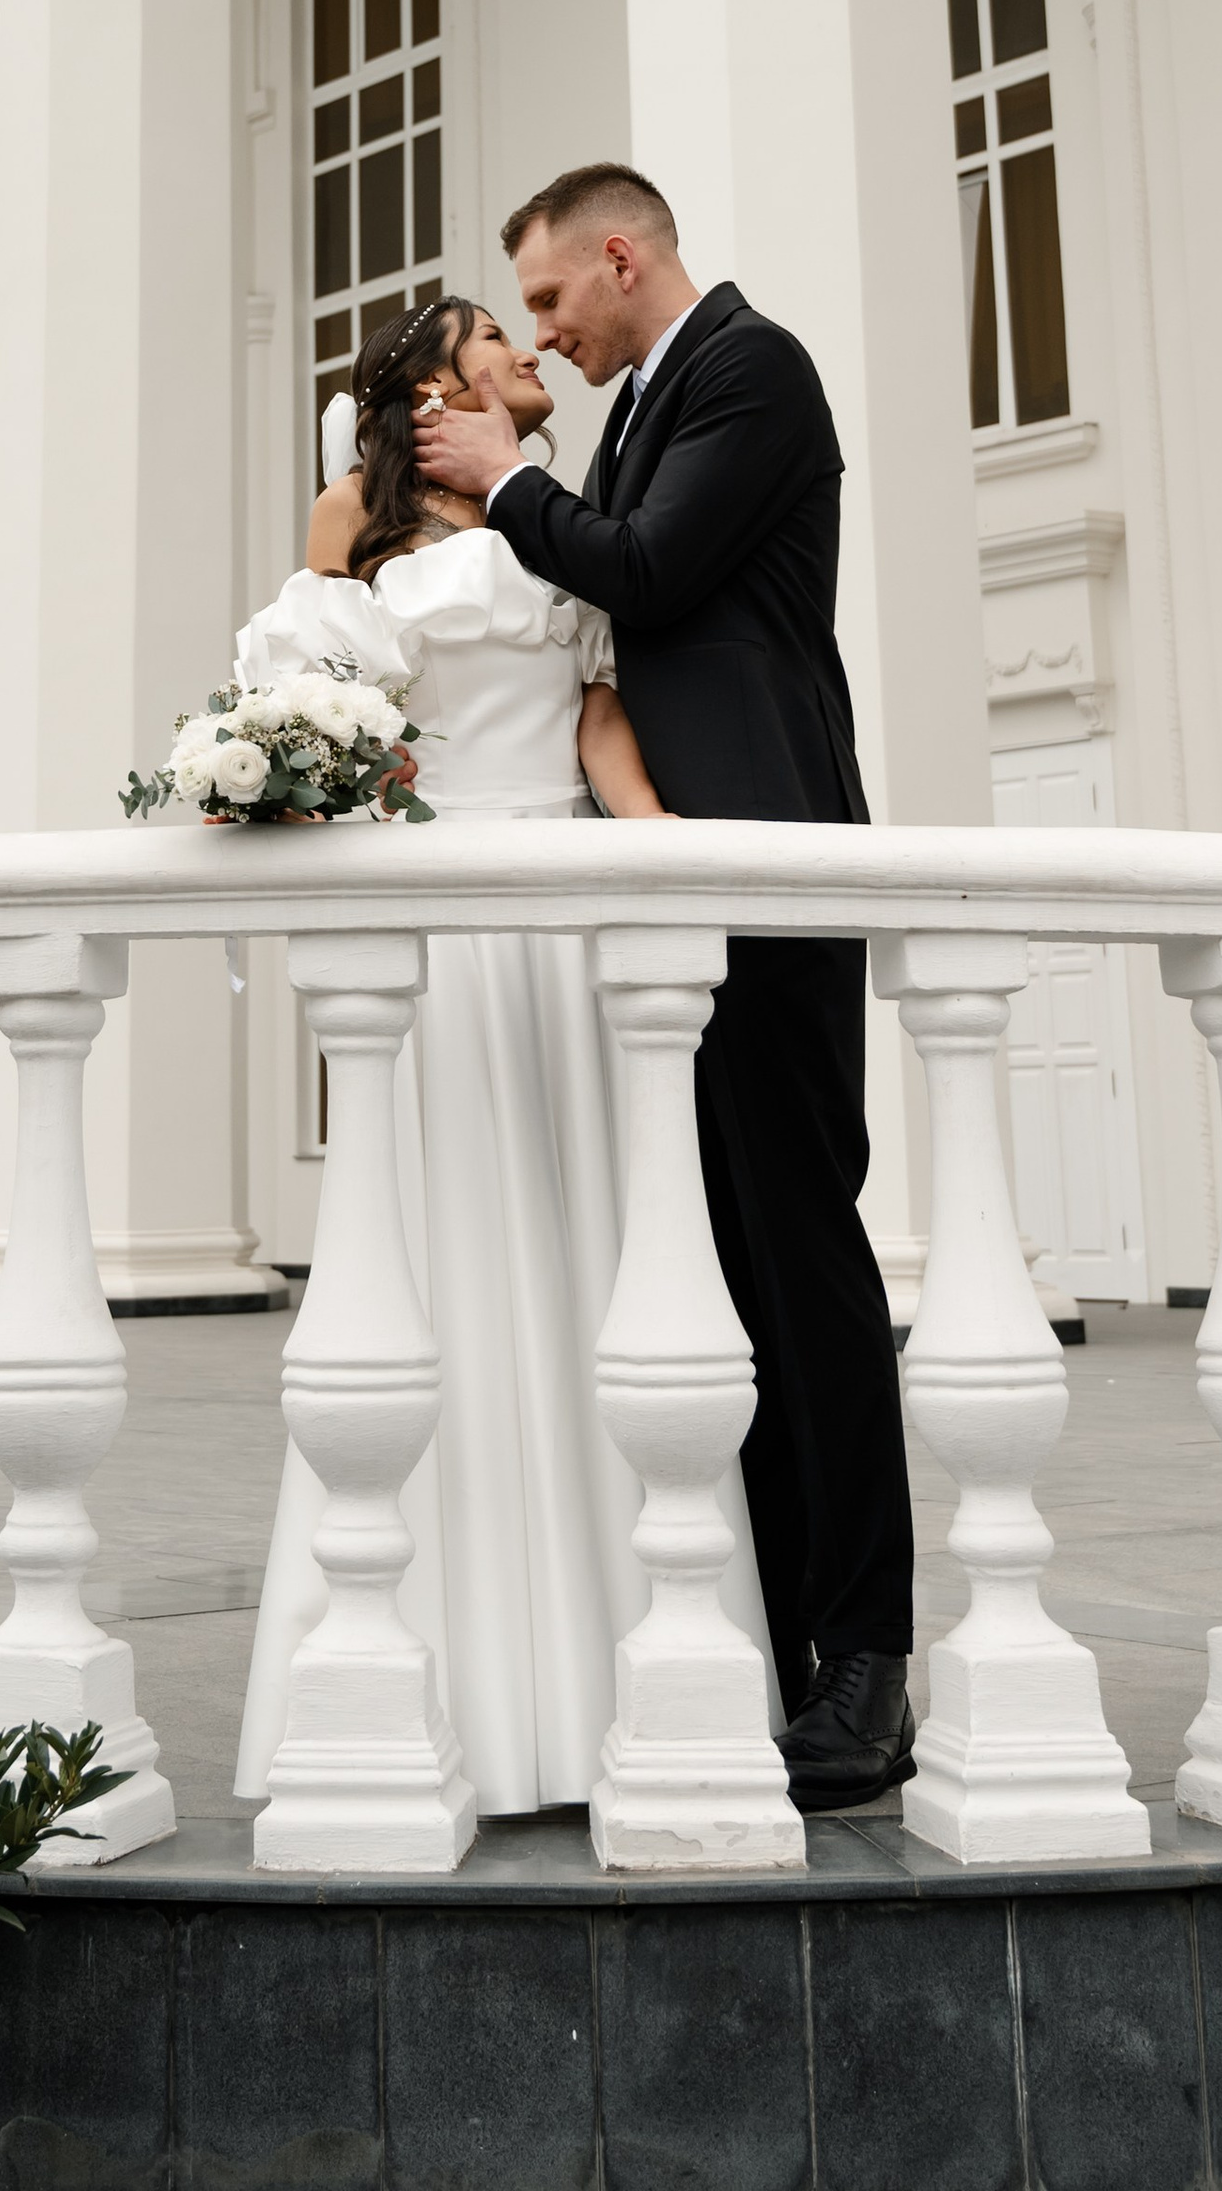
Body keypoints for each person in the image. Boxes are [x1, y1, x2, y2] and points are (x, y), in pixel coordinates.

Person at [231, 293, 777, 1816]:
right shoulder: (358, 548)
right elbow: (319, 730)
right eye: (491, 331)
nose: (521, 350)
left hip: (569, 944)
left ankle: (626, 1686)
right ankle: (447, 1687)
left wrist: (678, 869)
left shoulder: (570, 530)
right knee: (451, 1273)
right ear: (426, 392)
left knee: (600, 1264)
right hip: (449, 944)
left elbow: (607, 741)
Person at [413, 162, 916, 1813]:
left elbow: (645, 568)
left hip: (765, 869)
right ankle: (783, 1639)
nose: (544, 340)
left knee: (805, 1253)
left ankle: (866, 1656)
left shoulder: (751, 368)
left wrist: (497, 486)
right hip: (665, 896)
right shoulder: (642, 407)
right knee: (722, 1278)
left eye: (553, 300)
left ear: (622, 257)